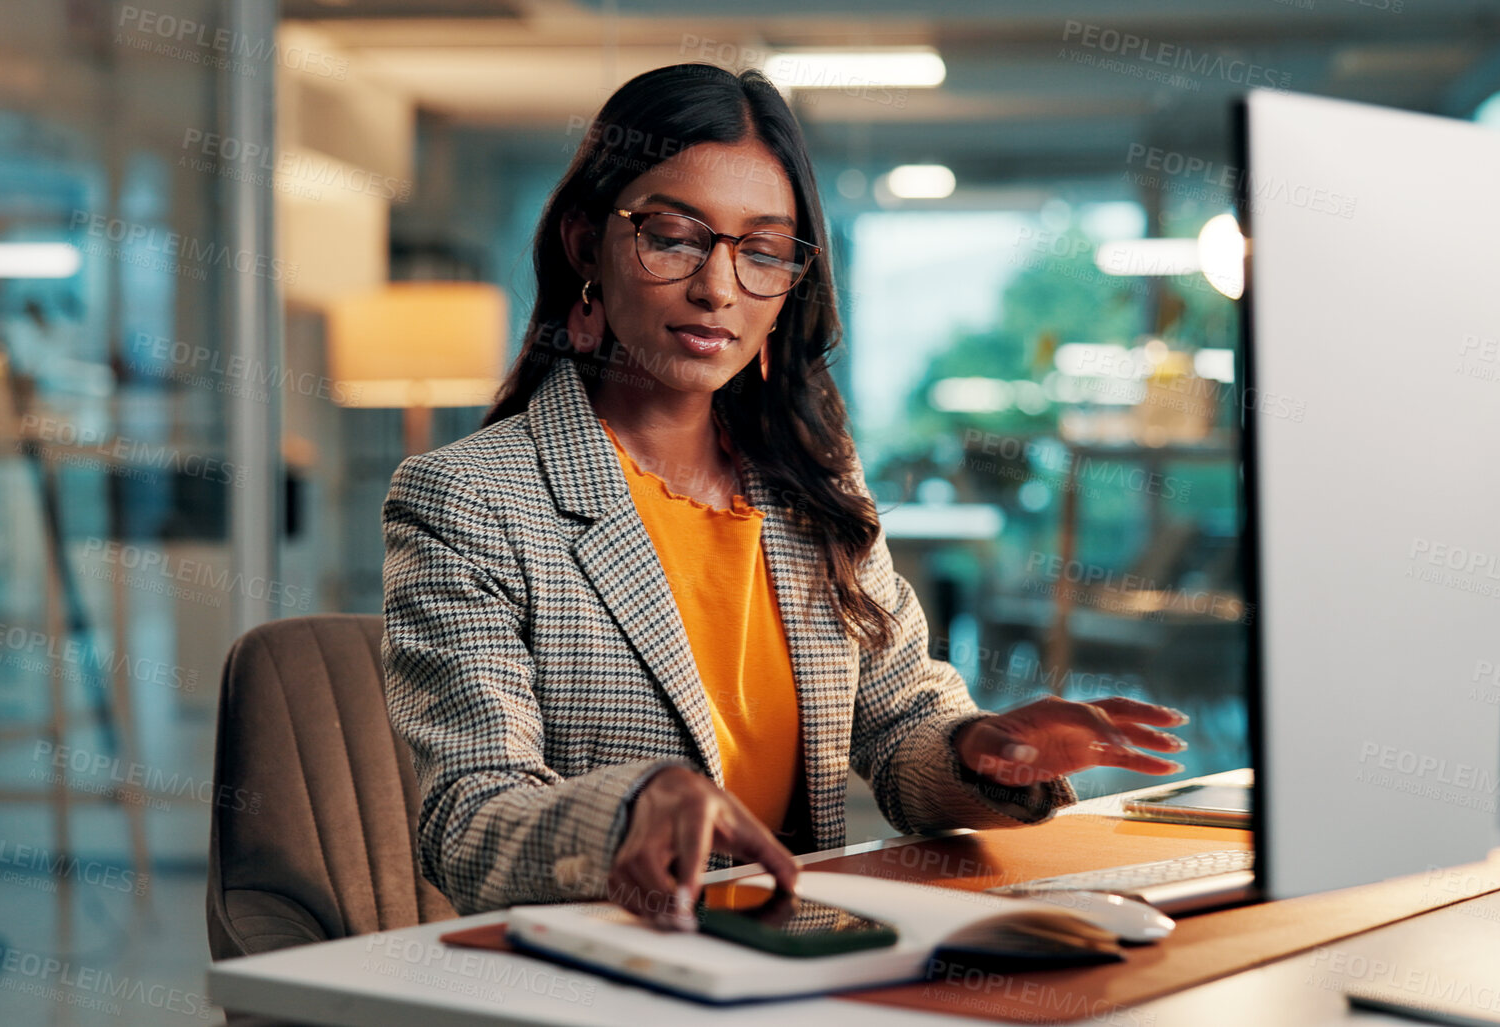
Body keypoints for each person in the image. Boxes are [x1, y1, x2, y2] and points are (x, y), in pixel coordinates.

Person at [380, 63, 1186, 930]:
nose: (718, 288)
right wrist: (631, 809)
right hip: (610, 967)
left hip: (799, 958)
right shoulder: (468, 497)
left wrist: (983, 751)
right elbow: (469, 820)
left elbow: (899, 726)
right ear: (585, 245)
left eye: (762, 251)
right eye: (673, 237)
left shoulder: (810, 480)